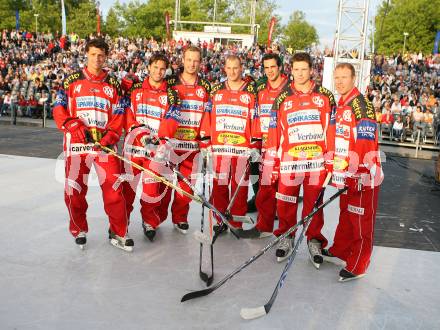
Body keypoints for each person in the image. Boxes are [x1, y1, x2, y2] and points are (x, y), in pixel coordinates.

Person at [53, 38, 133, 252]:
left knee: (115, 191)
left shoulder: (114, 83)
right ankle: (78, 229)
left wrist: (111, 136)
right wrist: (71, 124)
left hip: (105, 148)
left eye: (101, 55)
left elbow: (119, 116)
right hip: (77, 147)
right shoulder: (71, 80)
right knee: (74, 191)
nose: (97, 59)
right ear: (86, 55)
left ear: (106, 57)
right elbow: (59, 108)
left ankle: (118, 232)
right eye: (93, 54)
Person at [264, 52, 334, 264]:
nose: (300, 73)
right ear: (291, 71)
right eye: (296, 69)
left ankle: (314, 241)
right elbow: (274, 133)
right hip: (289, 162)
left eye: (304, 69)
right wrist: (272, 163)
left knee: (314, 206)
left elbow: (330, 130)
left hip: (316, 163)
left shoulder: (325, 96)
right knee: (285, 203)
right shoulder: (283, 97)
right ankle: (286, 236)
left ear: (312, 70)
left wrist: (330, 161)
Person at [324, 62, 383, 282]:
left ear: (354, 79)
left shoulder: (361, 105)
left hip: (362, 175)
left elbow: (366, 143)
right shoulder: (340, 103)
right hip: (345, 173)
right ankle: (341, 249)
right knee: (346, 213)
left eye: (344, 77)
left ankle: (359, 264)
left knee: (360, 220)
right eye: (336, 77)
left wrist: (358, 173)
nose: (339, 82)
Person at [122, 53, 181, 242]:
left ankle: (149, 222)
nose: (158, 71)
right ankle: (120, 225)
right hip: (134, 148)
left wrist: (159, 140)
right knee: (127, 189)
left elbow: (172, 117)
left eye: (162, 68)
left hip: (155, 150)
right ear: (149, 67)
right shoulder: (135, 88)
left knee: (152, 190)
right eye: (155, 67)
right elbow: (127, 112)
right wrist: (138, 134)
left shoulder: (171, 93)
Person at [200, 54, 258, 233]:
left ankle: (236, 222)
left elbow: (255, 119)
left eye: (236, 68)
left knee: (240, 186)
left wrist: (255, 145)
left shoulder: (250, 92)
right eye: (229, 68)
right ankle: (220, 221)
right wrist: (205, 142)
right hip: (220, 147)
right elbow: (207, 116)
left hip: (241, 149)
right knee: (220, 185)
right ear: (224, 68)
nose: (232, 71)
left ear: (242, 68)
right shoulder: (216, 91)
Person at [161, 46, 211, 234]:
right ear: (183, 60)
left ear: (200, 62)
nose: (192, 64)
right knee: (163, 185)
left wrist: (205, 141)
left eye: (196, 60)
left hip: (192, 145)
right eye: (189, 59)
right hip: (170, 144)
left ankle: (180, 218)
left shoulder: (205, 86)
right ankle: (154, 219)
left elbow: (208, 114)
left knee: (186, 187)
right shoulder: (170, 82)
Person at [242, 53, 290, 238]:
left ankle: (284, 229)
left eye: (273, 67)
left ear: (280, 67)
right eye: (266, 67)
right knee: (259, 178)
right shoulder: (260, 86)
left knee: (282, 187)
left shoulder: (290, 87)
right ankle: (263, 217)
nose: (270, 71)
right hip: (263, 143)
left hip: (283, 145)